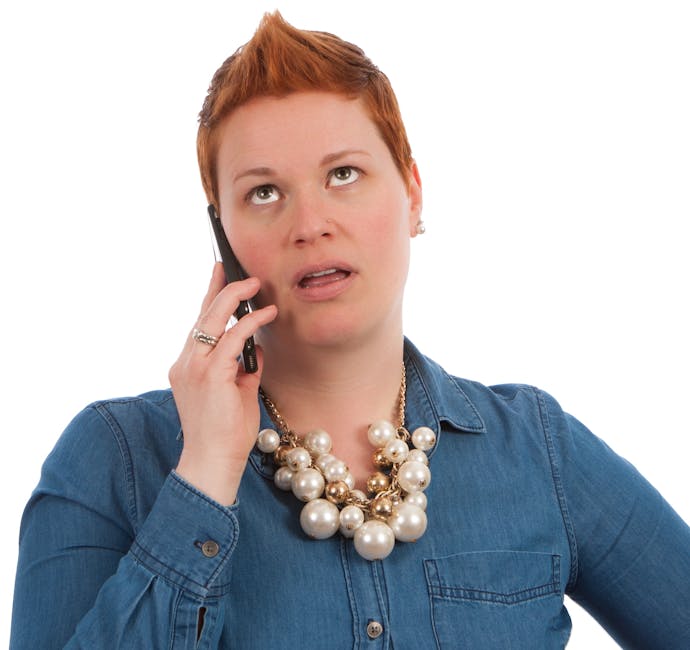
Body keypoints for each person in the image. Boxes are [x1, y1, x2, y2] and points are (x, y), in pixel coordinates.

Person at [10, 11, 690, 649]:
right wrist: (206, 472)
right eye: (264, 193)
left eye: (343, 174)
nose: (310, 224)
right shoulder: (113, 459)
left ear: (412, 193)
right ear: (222, 233)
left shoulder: (539, 451)